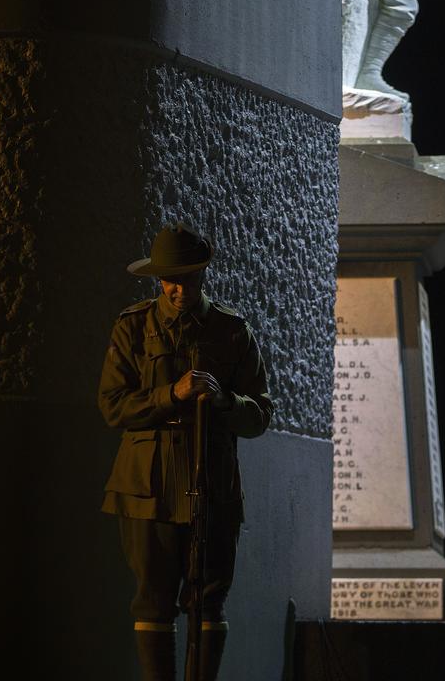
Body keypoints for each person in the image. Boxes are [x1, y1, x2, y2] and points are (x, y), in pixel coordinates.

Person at [98, 223, 273, 681]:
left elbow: (260, 415)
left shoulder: (232, 331)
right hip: (147, 489)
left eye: (188, 280)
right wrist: (169, 395)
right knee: (153, 600)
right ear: (159, 280)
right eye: (170, 281)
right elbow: (113, 406)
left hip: (211, 487)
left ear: (202, 276)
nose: (179, 291)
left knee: (209, 599)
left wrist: (224, 401)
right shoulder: (133, 326)